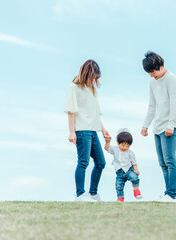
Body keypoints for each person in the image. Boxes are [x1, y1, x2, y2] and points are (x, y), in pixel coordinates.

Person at [64, 59, 110, 202]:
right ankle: (80, 194)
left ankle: (93, 194)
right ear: (87, 73)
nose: (94, 80)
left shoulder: (91, 89)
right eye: (93, 77)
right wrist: (72, 132)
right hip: (82, 130)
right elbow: (71, 111)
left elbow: (95, 112)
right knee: (83, 162)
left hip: (93, 130)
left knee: (101, 162)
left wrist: (103, 130)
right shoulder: (74, 87)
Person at [141, 51, 176, 202]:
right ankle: (167, 194)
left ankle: (172, 194)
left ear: (160, 66)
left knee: (170, 160)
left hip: (170, 127)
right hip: (157, 127)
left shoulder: (171, 79)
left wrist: (171, 124)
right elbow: (152, 105)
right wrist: (146, 124)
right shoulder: (152, 82)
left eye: (152, 71)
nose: (151, 75)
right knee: (162, 163)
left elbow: (175, 104)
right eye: (149, 73)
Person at [104, 128, 143, 202]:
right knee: (119, 185)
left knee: (134, 177)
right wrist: (107, 142)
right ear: (118, 142)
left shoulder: (130, 152)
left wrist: (136, 170)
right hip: (119, 172)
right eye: (123, 145)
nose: (125, 148)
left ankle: (136, 191)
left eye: (128, 146)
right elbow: (107, 148)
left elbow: (134, 163)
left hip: (129, 170)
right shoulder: (115, 149)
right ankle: (120, 198)